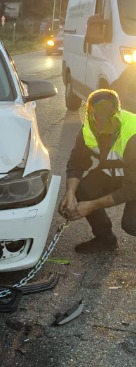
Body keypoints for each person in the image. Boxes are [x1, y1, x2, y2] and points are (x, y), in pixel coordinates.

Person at [58, 88, 136, 253]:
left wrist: (92, 205)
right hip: (115, 172)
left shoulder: (132, 133)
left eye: (106, 121)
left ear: (116, 115)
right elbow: (77, 162)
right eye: (96, 119)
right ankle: (105, 240)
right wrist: (70, 192)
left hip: (134, 180)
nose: (100, 127)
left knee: (131, 224)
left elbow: (131, 189)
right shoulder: (88, 129)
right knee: (83, 189)